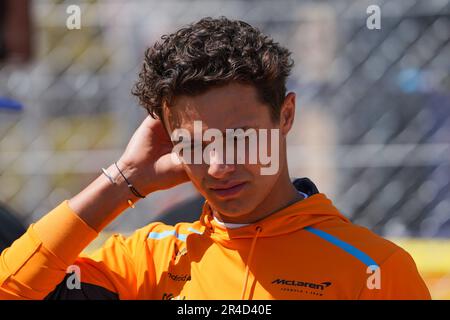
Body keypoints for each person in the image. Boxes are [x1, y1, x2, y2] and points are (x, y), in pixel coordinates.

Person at [0, 17, 430, 300]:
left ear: (286, 115)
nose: (219, 167)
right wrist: (125, 179)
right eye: (195, 145)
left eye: (239, 139)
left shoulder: (373, 271)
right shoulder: (153, 259)